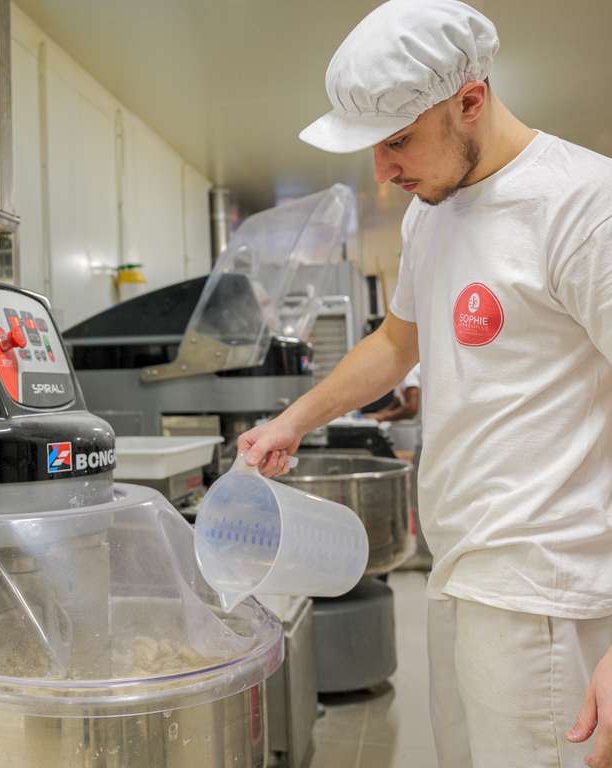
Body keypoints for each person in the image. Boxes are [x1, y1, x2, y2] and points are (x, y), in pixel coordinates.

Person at [238, 2, 612, 767]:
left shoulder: (585, 205)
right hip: (462, 570)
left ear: (470, 99)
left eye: (399, 141)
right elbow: (397, 340)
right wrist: (293, 420)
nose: (383, 172)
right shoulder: (429, 217)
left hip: (549, 589)